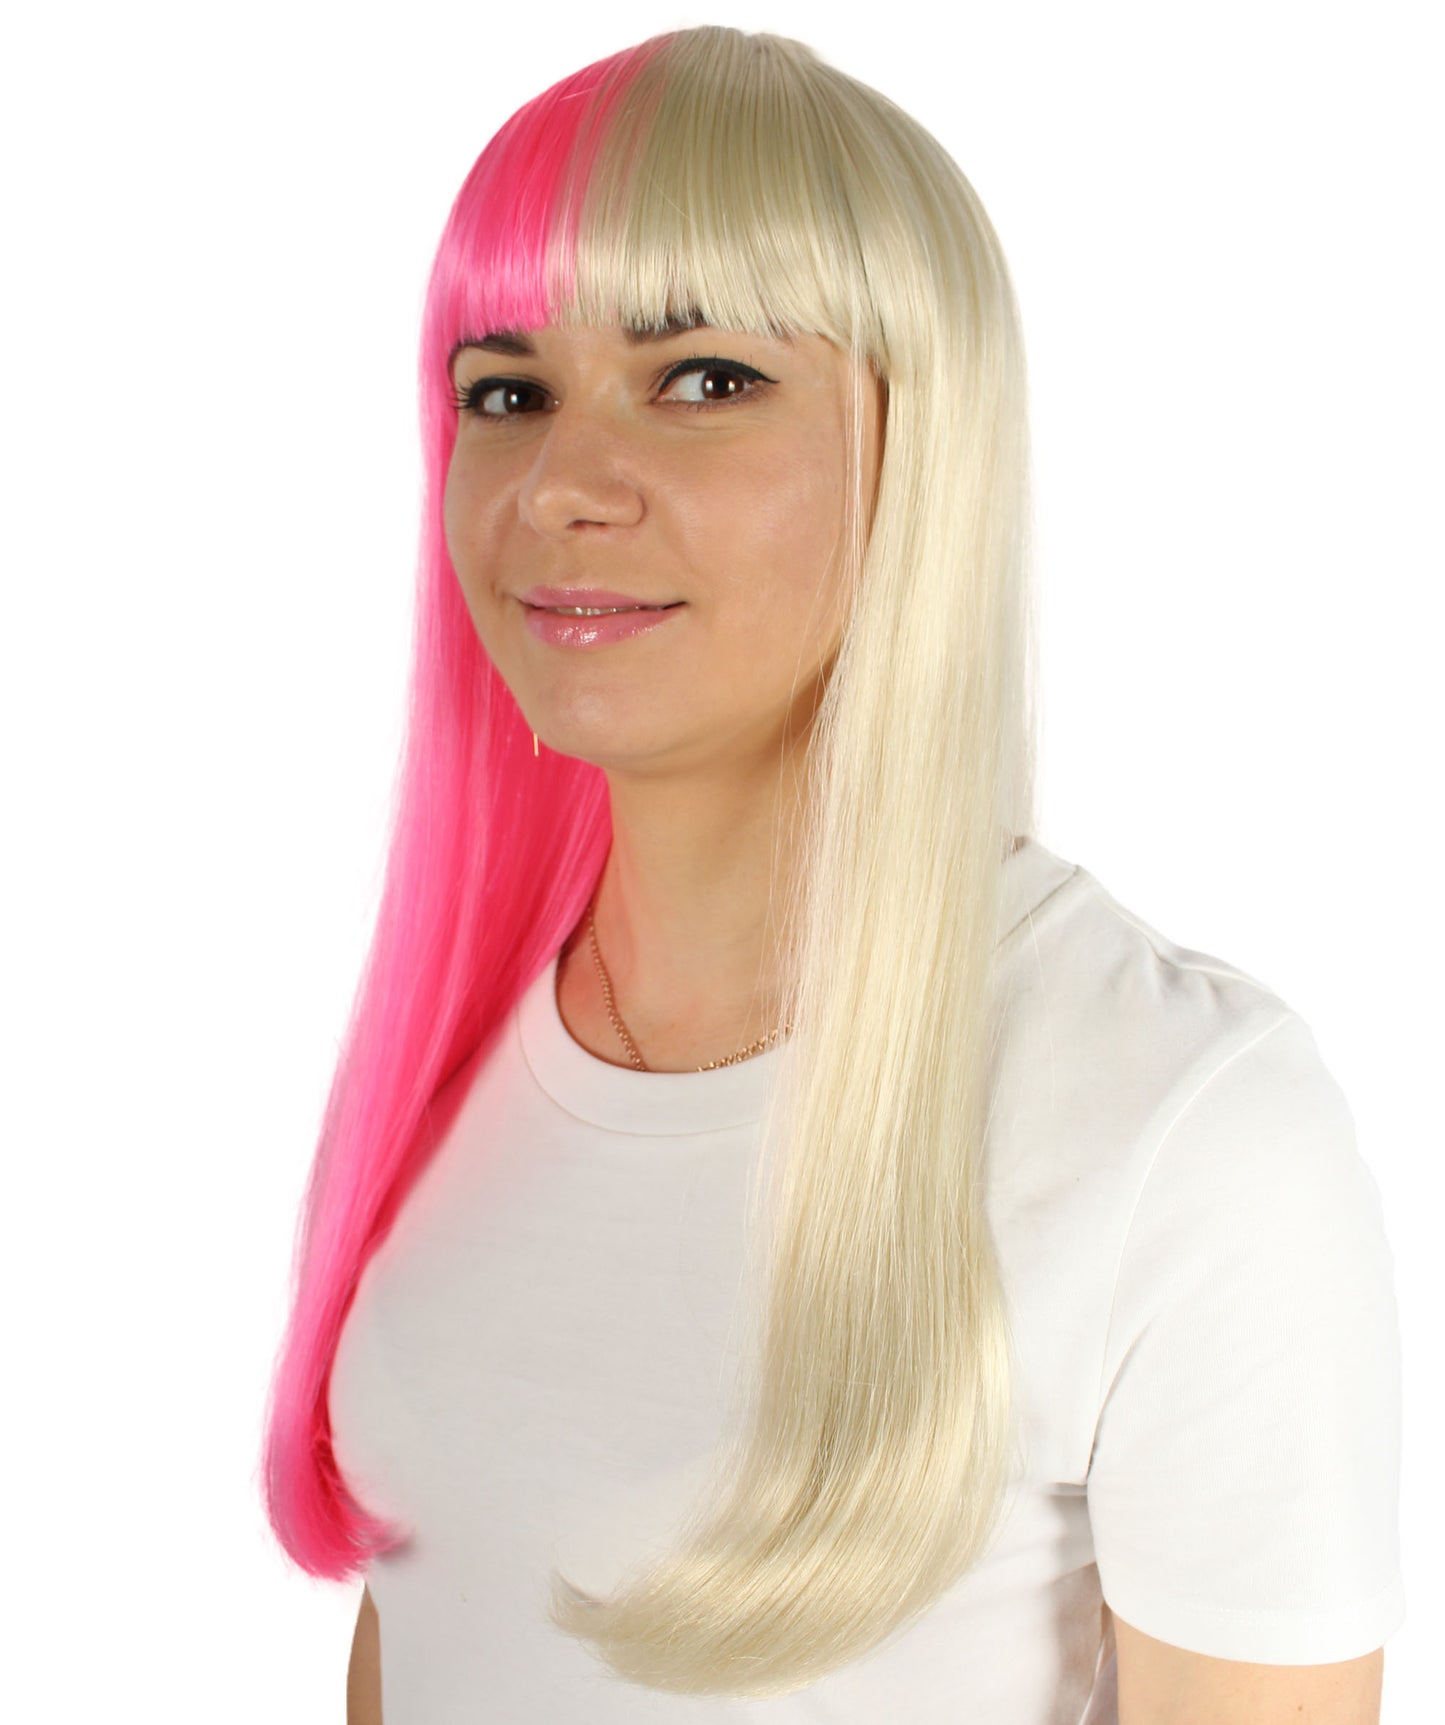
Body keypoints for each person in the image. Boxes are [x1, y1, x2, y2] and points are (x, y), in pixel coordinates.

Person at [260, 26, 1403, 1723]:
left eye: (705, 378)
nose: (560, 484)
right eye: (506, 392)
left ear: (918, 442)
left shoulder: (1179, 1124)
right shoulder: (463, 1049)